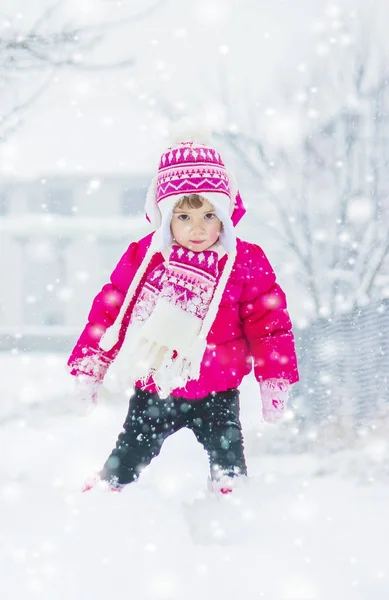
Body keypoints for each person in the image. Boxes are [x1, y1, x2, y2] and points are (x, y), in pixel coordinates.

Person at [67, 131, 299, 494]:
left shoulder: (243, 262)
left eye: (209, 214)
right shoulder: (147, 258)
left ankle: (232, 507)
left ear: (225, 213)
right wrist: (90, 366)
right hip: (156, 387)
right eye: (184, 216)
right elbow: (112, 311)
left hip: (219, 392)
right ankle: (104, 501)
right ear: (165, 218)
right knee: (125, 460)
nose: (197, 228)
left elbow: (270, 325)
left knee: (230, 468)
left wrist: (275, 379)